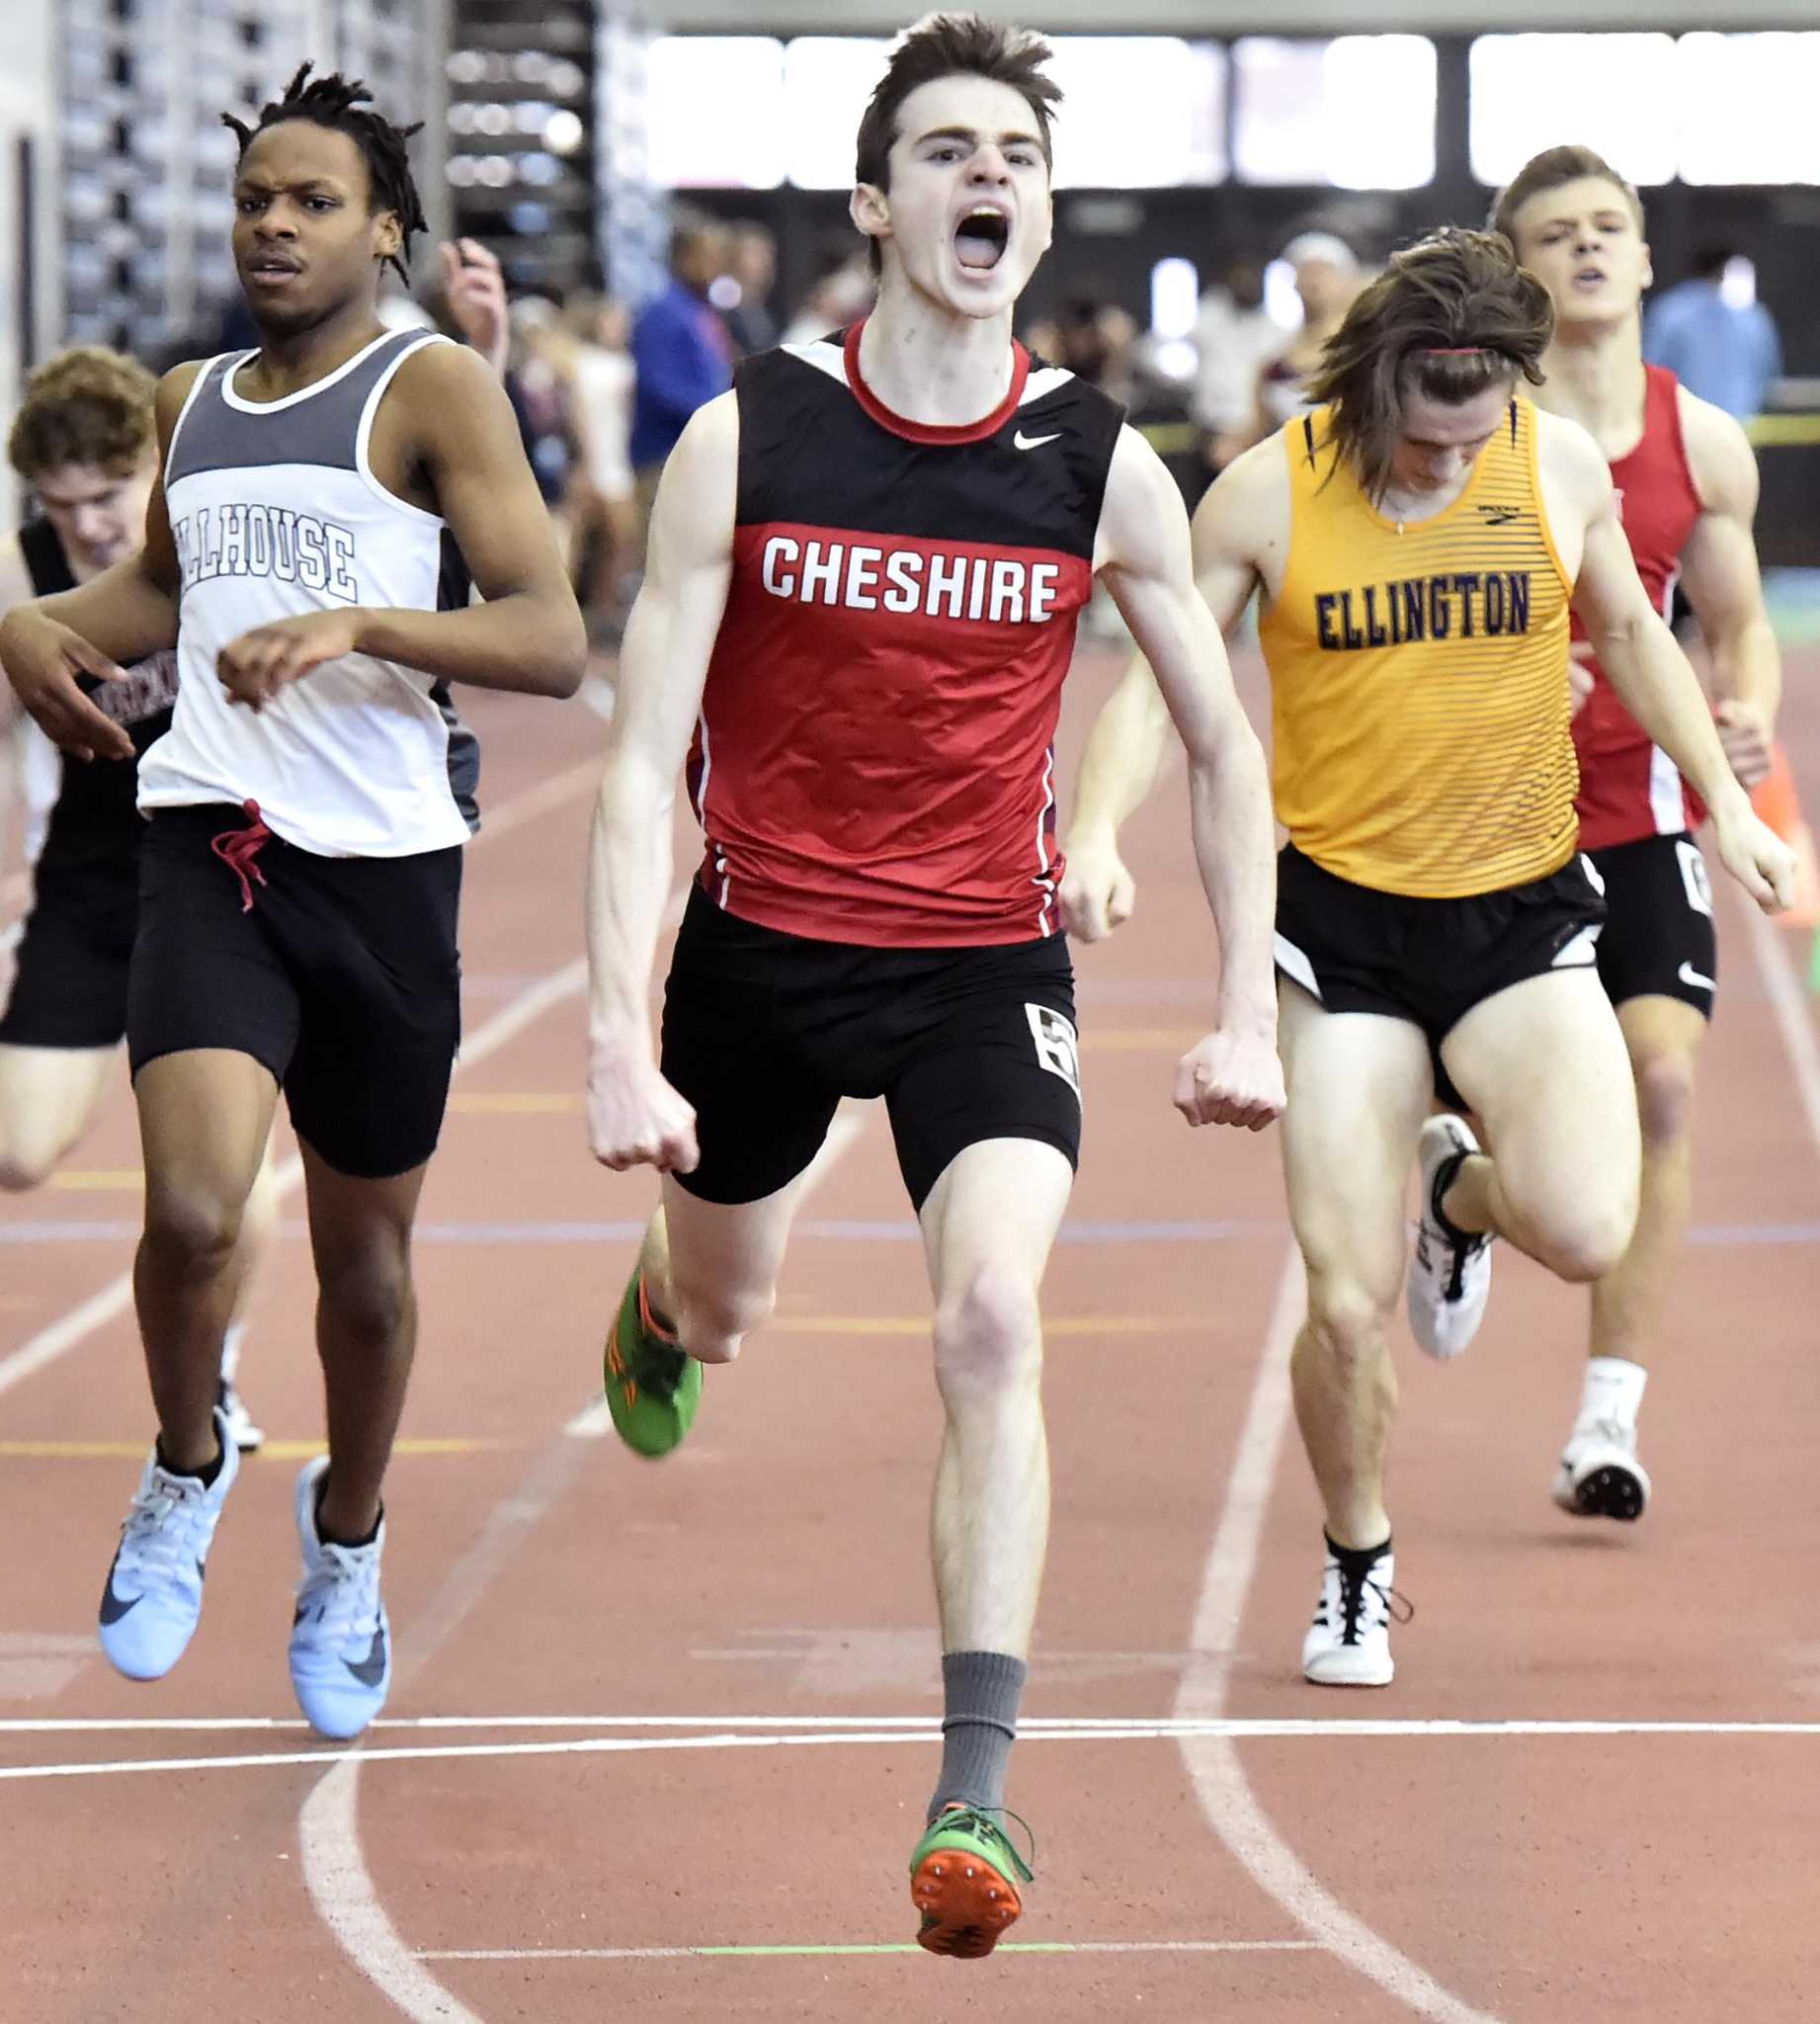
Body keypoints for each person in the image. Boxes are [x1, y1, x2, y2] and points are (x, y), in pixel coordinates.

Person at [583, 13, 1282, 1956]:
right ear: (880, 203)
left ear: (1039, 214)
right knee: (731, 1313)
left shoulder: (1095, 459)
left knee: (991, 1318)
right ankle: (665, 1294)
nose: (988, 177)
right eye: (948, 150)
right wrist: (615, 1040)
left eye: (1016, 156)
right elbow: (642, 761)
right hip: (766, 960)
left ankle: (975, 1784)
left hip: (982, 967)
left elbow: (1226, 746)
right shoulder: (755, 435)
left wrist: (1241, 1007)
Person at [1058, 228, 1793, 1688]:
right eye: (1426, 439)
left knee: (1587, 1229)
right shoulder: (1268, 490)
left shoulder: (1552, 463)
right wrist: (1093, 830)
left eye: (1479, 436)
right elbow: (1162, 684)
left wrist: (1724, 804)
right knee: (1340, 1304)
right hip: (1337, 932)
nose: (1453, 463)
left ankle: (1454, 1196)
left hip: (1519, 911)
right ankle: (1356, 1558)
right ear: (1373, 384)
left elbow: (1638, 635)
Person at [0, 64, 584, 1739]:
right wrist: (38, 629)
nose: (273, 220)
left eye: (312, 199)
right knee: (190, 1212)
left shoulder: (436, 389)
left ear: (384, 231)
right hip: (212, 849)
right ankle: (187, 1462)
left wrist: (363, 625)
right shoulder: (192, 397)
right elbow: (151, 592)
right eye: (257, 194)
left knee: (369, 1276)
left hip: (385, 876)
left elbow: (545, 633)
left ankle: (348, 1539)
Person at [1490, 148, 1779, 1522]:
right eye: (1558, 235)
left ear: (1647, 258)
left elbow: (1734, 626)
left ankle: (1607, 1416)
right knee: (1503, 1122)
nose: (1590, 249)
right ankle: (1461, 1203)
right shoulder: (1473, 430)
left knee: (1661, 1086)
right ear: (1519, 273)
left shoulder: (1699, 442)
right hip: (1478, 819)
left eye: (1610, 229)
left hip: (1637, 805)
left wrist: (1743, 714)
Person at [0, 349, 273, 1450]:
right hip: (91, 882)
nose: (90, 528)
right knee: (17, 1153)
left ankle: (212, 1372)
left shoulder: (208, 540)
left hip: (219, 875)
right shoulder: (24, 572)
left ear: (151, 469)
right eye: (61, 508)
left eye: (107, 499)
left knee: (219, 1177)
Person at [1643, 244, 1782, 423]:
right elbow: (1769, 376)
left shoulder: (1670, 312)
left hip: (1682, 431)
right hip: (1741, 429)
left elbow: (1649, 371)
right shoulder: (1753, 318)